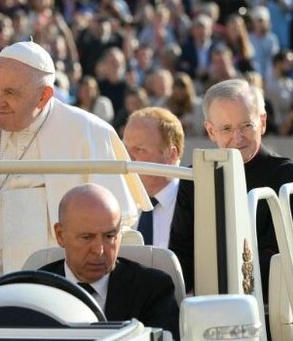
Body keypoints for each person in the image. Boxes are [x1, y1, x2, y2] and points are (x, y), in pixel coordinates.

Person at [0, 40, 149, 317]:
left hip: (59, 279)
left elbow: (116, 223)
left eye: (10, 92)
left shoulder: (89, 133)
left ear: (44, 96)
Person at [169, 78, 293, 296]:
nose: (238, 137)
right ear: (211, 131)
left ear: (262, 122)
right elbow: (182, 254)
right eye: (226, 128)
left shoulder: (286, 176)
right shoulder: (194, 179)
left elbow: (278, 256)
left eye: (246, 125)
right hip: (209, 303)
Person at [39, 184, 179, 338]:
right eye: (87, 237)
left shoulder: (152, 290)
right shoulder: (35, 291)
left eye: (109, 236)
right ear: (60, 235)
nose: (99, 250)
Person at [123, 107, 193, 250]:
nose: (127, 158)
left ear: (172, 154)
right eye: (124, 149)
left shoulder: (197, 204)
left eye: (139, 149)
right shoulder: (115, 201)